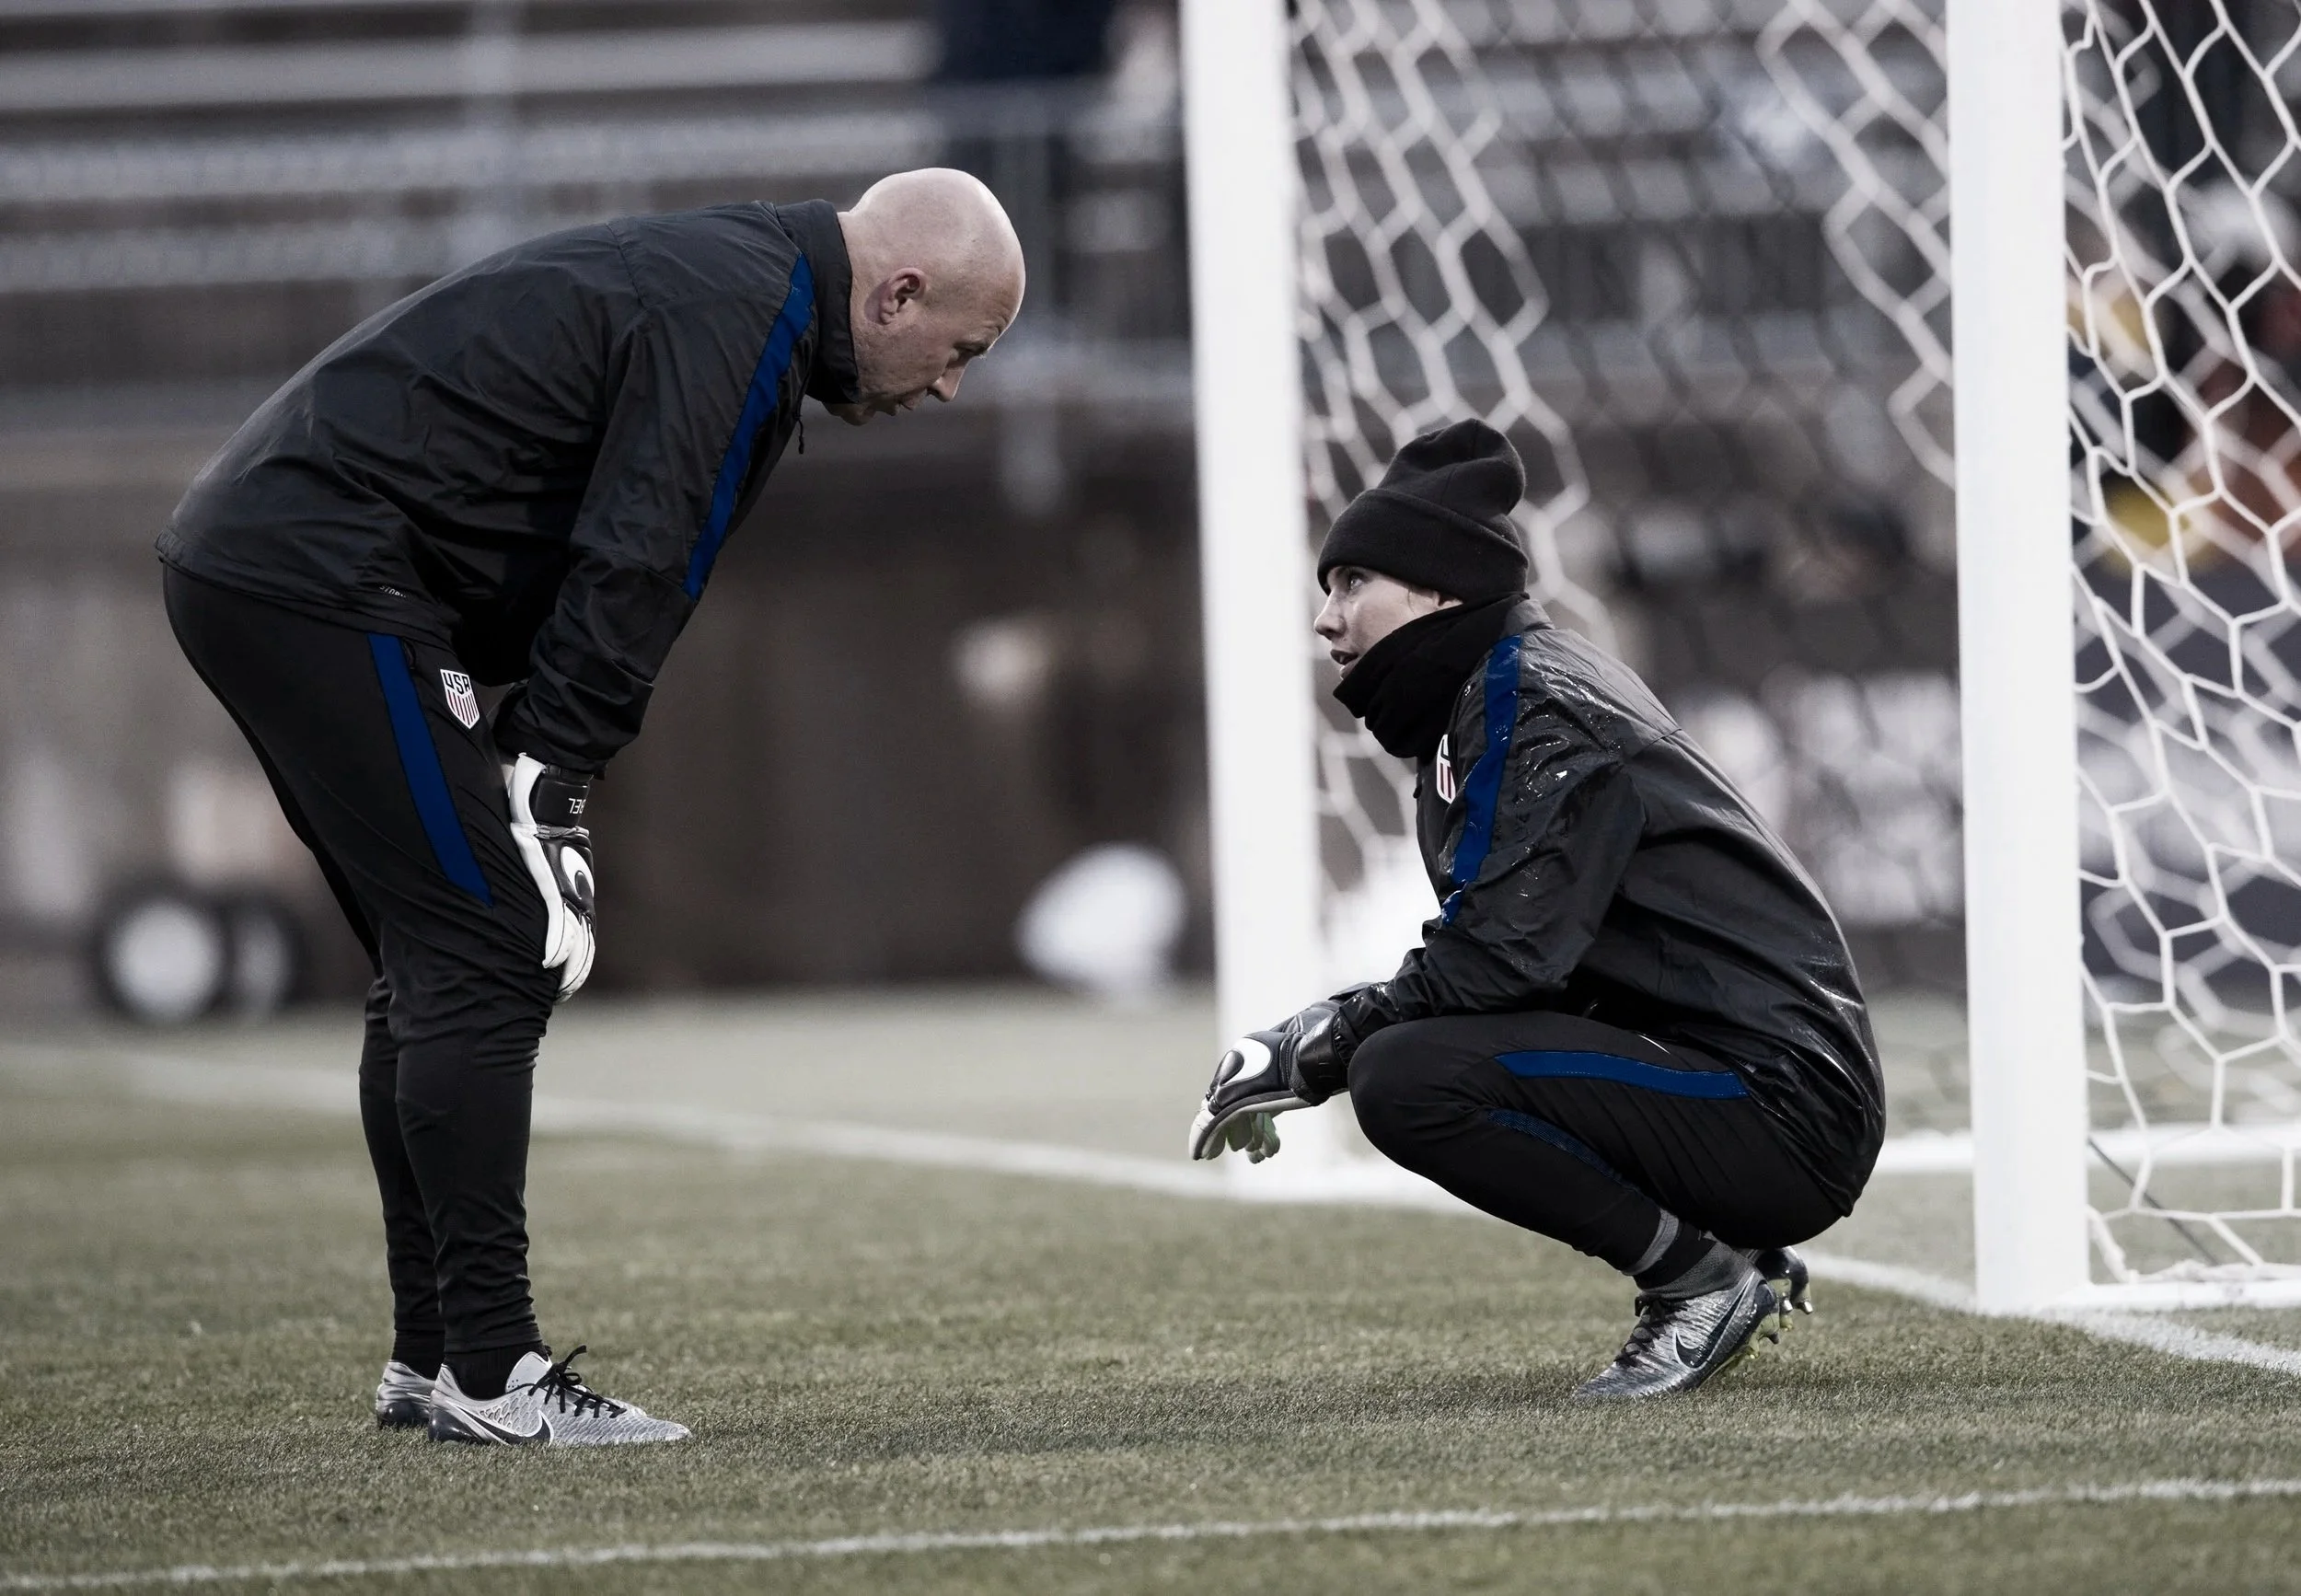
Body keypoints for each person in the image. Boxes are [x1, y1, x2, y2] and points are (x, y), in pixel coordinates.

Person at [159, 169, 1026, 1445]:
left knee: (441, 951)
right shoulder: (744, 317)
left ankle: (436, 1356)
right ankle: (493, 1372)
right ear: (897, 292)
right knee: (483, 941)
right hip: (316, 570)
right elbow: (642, 555)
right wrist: (553, 782)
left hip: (279, 559)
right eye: (960, 350)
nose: (951, 384)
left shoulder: (743, 279)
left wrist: (540, 766)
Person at [1188, 420, 1883, 1401]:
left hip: (1780, 1104)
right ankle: (1723, 1255)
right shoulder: (1488, 697)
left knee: (1404, 1077)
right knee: (1414, 1054)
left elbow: (1497, 962)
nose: (1326, 618)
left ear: (1435, 591)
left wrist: (1318, 1043)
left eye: (1351, 584)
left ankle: (1699, 1283)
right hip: (1741, 1074)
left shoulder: (1534, 700)